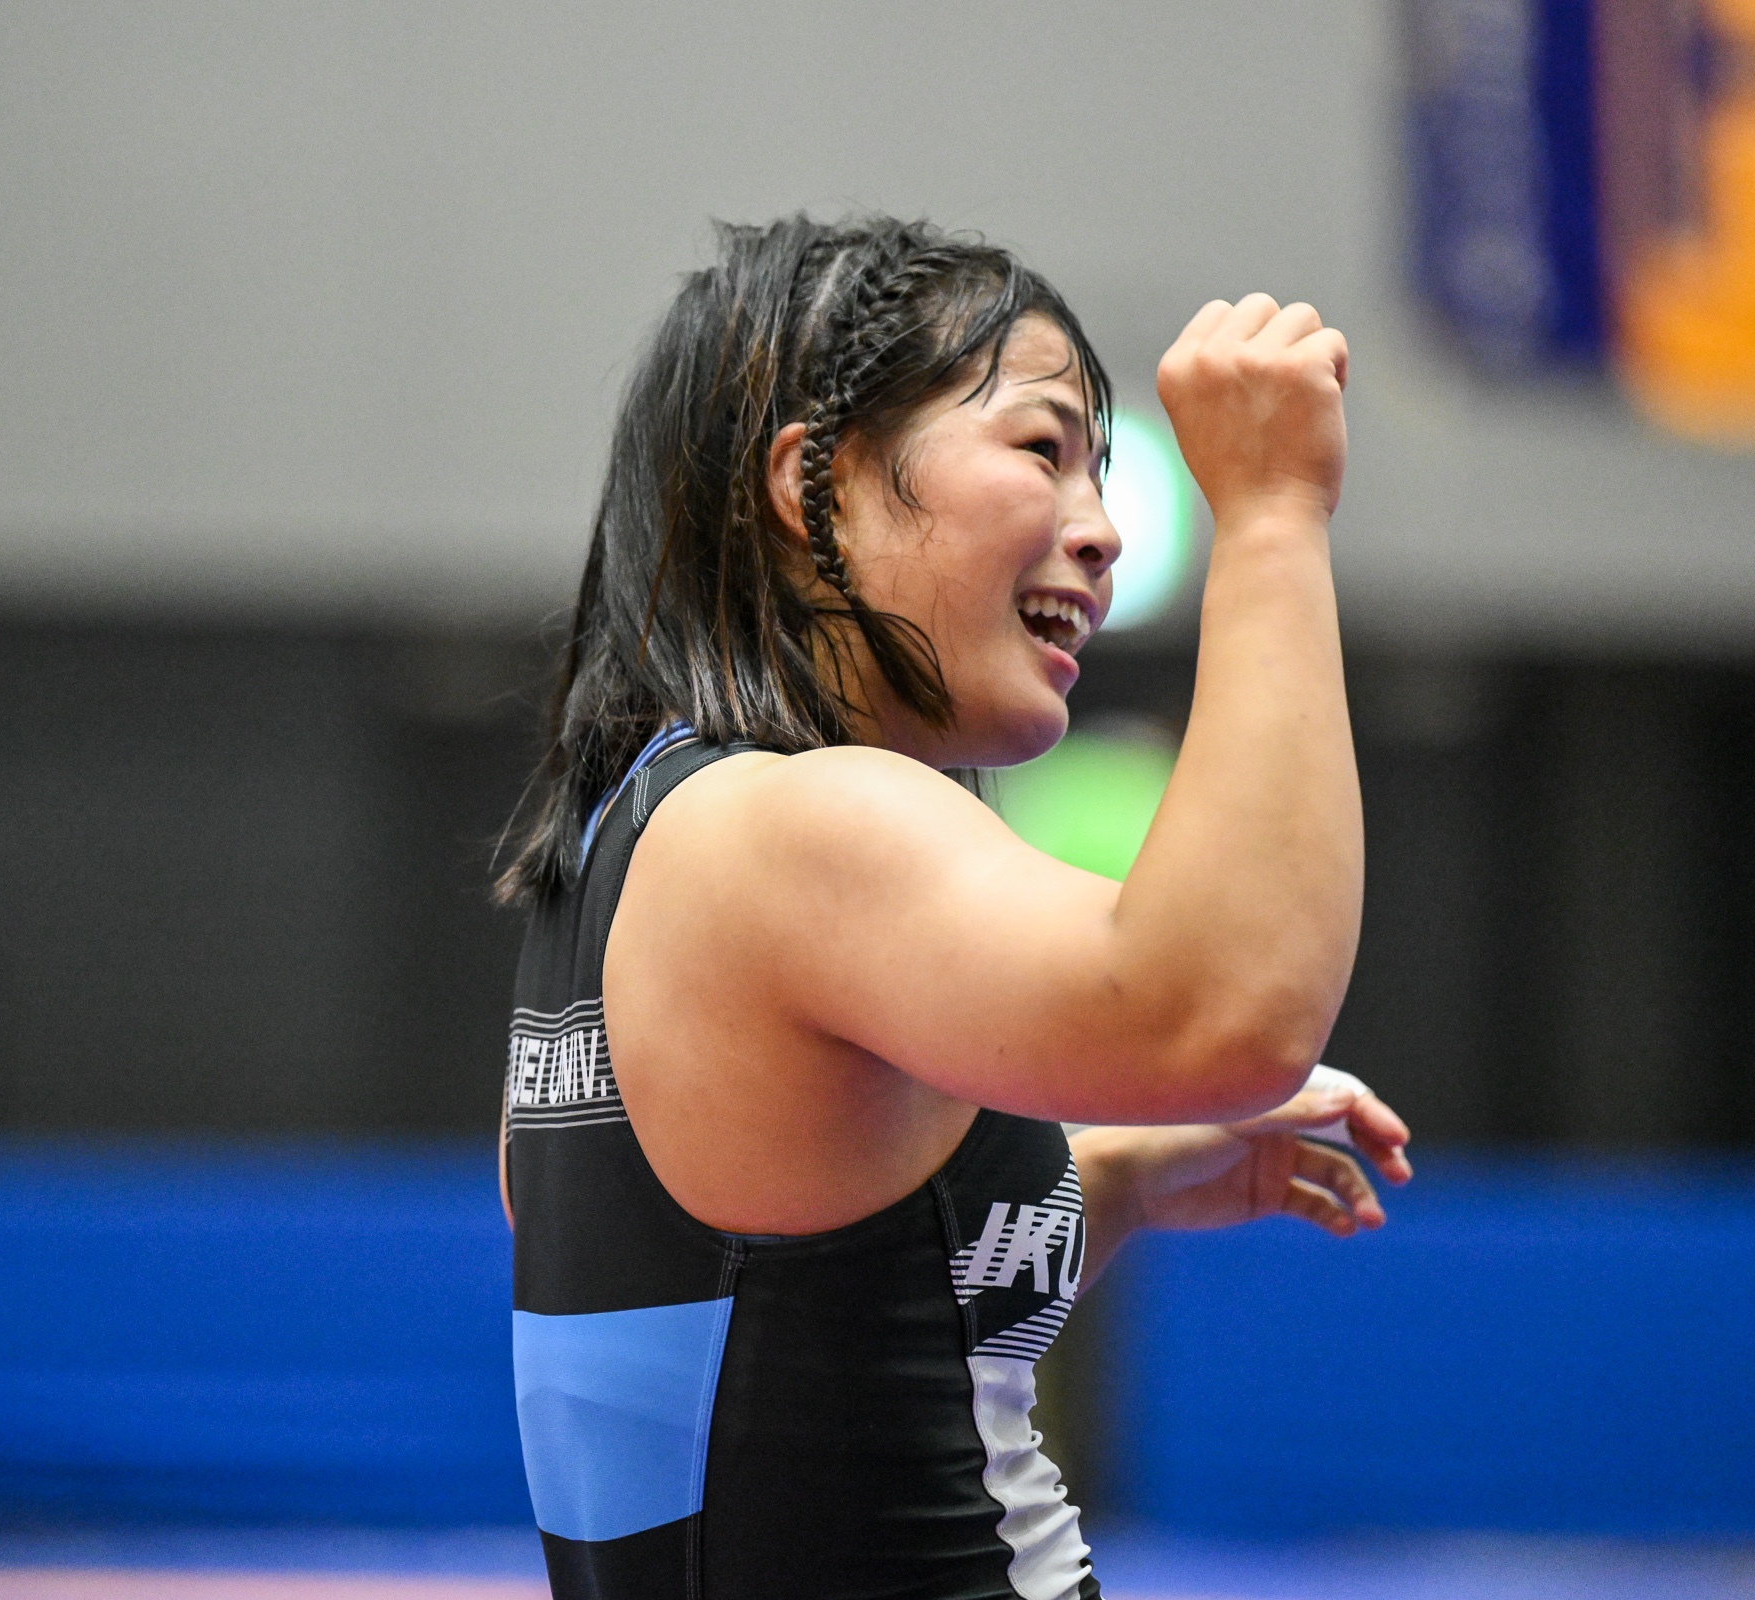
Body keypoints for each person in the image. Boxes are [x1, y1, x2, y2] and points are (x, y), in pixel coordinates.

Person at [495, 214, 1411, 1600]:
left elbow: (804, 1339)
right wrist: (1275, 513)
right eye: (1044, 449)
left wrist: (1113, 1183)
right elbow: (1232, 1014)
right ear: (810, 486)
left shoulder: (631, 846)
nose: (1102, 532)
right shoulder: (798, 826)